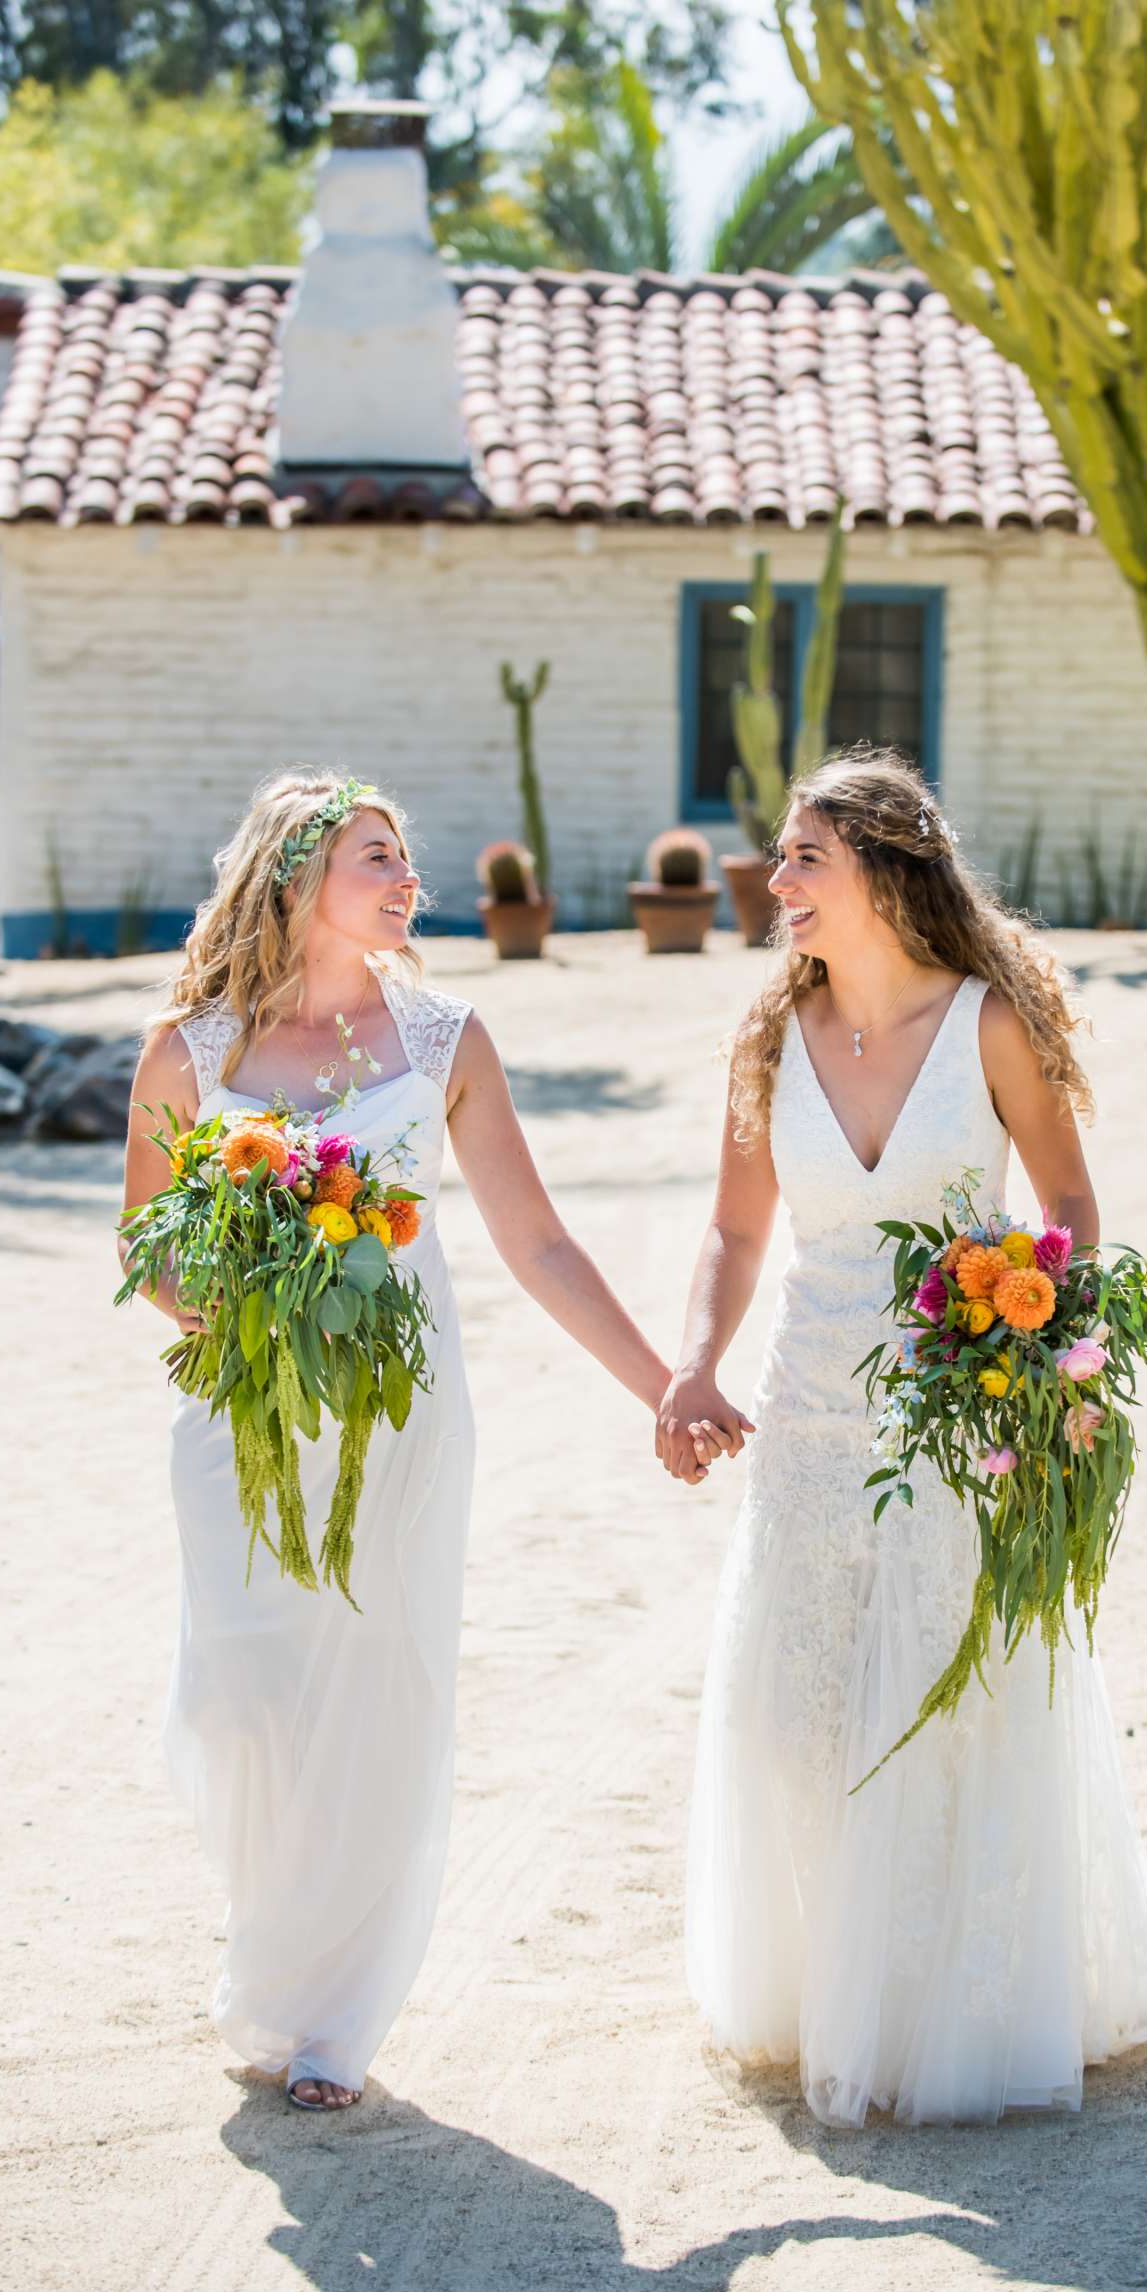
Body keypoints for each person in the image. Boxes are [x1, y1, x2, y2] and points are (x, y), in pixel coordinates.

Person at [663, 750, 1147, 2127]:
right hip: (812, 1411)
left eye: (806, 855)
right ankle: (834, 1986)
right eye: (781, 855)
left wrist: (1042, 1356)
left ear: (882, 867)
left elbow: (1066, 1203)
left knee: (954, 1692)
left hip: (959, 1411)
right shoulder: (770, 1037)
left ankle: (954, 2001)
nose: (779, 879)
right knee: (799, 1712)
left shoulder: (990, 1022)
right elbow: (734, 1226)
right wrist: (693, 1363)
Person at [122, 770, 721, 2111]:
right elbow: (146, 1247)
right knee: (243, 1696)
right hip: (243, 1408)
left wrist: (664, 1388)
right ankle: (275, 1938)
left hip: (402, 1411)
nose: (407, 881)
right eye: (374, 857)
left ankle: (330, 2017)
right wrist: (245, 1297)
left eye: (407, 860)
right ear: (293, 880)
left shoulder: (449, 1039)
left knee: (376, 1690)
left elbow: (539, 1242)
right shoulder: (192, 1049)